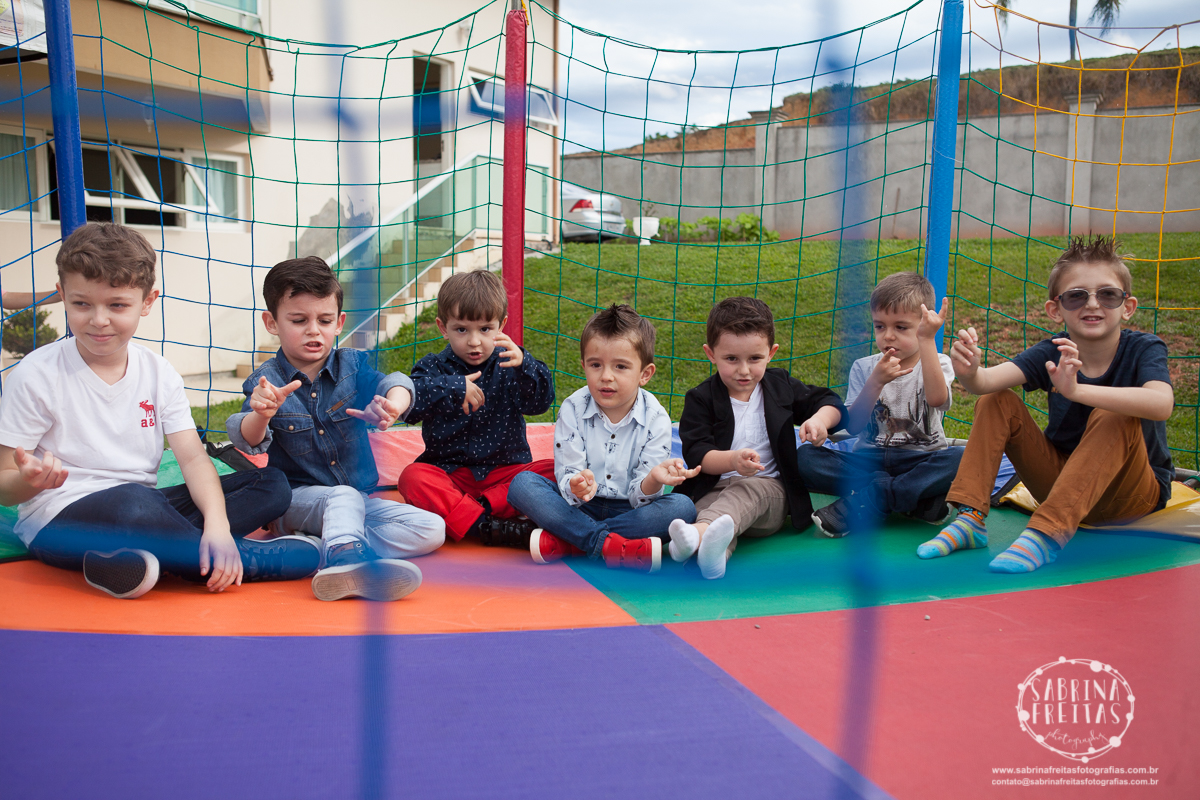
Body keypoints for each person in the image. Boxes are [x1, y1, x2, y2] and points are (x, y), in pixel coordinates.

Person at [0, 222, 311, 600]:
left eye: (117, 305)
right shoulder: (36, 374)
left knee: (271, 484)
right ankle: (240, 561)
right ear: (63, 296)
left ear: (147, 302)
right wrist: (28, 481)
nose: (99, 319)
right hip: (60, 523)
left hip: (145, 509)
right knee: (133, 501)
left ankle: (131, 559)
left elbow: (195, 462)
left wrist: (215, 524)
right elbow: (4, 485)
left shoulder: (158, 371)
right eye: (82, 304)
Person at [923, 235, 1174, 573]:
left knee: (1115, 415)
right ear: (1056, 310)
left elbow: (1161, 404)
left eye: (1108, 294)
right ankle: (971, 519)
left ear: (1126, 306)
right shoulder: (1053, 350)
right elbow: (986, 383)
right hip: (1059, 482)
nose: (1093, 304)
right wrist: (969, 372)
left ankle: (1045, 535)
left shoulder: (1144, 348)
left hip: (1129, 497)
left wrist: (1078, 391)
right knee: (997, 400)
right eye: (1076, 296)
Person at [227, 257, 445, 601]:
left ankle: (316, 549)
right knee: (341, 497)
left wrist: (393, 405)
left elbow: (395, 382)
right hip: (296, 502)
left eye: (324, 320)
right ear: (272, 322)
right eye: (299, 320)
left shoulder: (352, 366)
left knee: (431, 529)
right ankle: (347, 561)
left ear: (339, 322)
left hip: (354, 503)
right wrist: (262, 413)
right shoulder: (266, 382)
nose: (314, 330)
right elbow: (246, 438)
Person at [508, 304, 698, 573]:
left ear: (645, 374)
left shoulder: (656, 418)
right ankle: (610, 545)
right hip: (578, 509)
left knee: (682, 507)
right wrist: (576, 486)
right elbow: (568, 478)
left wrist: (653, 479)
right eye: (596, 365)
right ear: (583, 365)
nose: (606, 376)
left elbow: (640, 499)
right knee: (522, 484)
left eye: (620, 366)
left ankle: (573, 543)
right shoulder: (573, 407)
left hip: (630, 513)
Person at [670, 296, 848, 578]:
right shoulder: (701, 398)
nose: (743, 370)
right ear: (710, 354)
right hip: (715, 490)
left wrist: (819, 420)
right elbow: (697, 452)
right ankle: (711, 558)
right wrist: (732, 461)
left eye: (755, 358)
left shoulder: (779, 386)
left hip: (770, 494)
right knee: (708, 513)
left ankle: (697, 535)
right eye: (731, 359)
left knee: (744, 493)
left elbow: (829, 402)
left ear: (771, 352)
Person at [795, 272, 963, 537]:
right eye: (880, 326)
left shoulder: (937, 361)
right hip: (867, 462)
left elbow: (937, 400)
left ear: (924, 324)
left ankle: (872, 498)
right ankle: (912, 497)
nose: (888, 336)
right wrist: (876, 382)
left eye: (901, 327)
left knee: (962, 458)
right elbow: (854, 426)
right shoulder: (864, 367)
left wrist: (928, 340)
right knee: (804, 457)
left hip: (921, 460)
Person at [397, 269, 556, 549]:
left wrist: (526, 366)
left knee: (561, 469)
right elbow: (412, 407)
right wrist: (454, 387)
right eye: (461, 329)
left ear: (501, 325)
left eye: (484, 329)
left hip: (506, 474)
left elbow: (540, 404)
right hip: (450, 473)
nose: (473, 341)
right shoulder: (431, 368)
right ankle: (486, 526)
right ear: (442, 327)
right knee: (412, 477)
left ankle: (474, 513)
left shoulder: (512, 362)